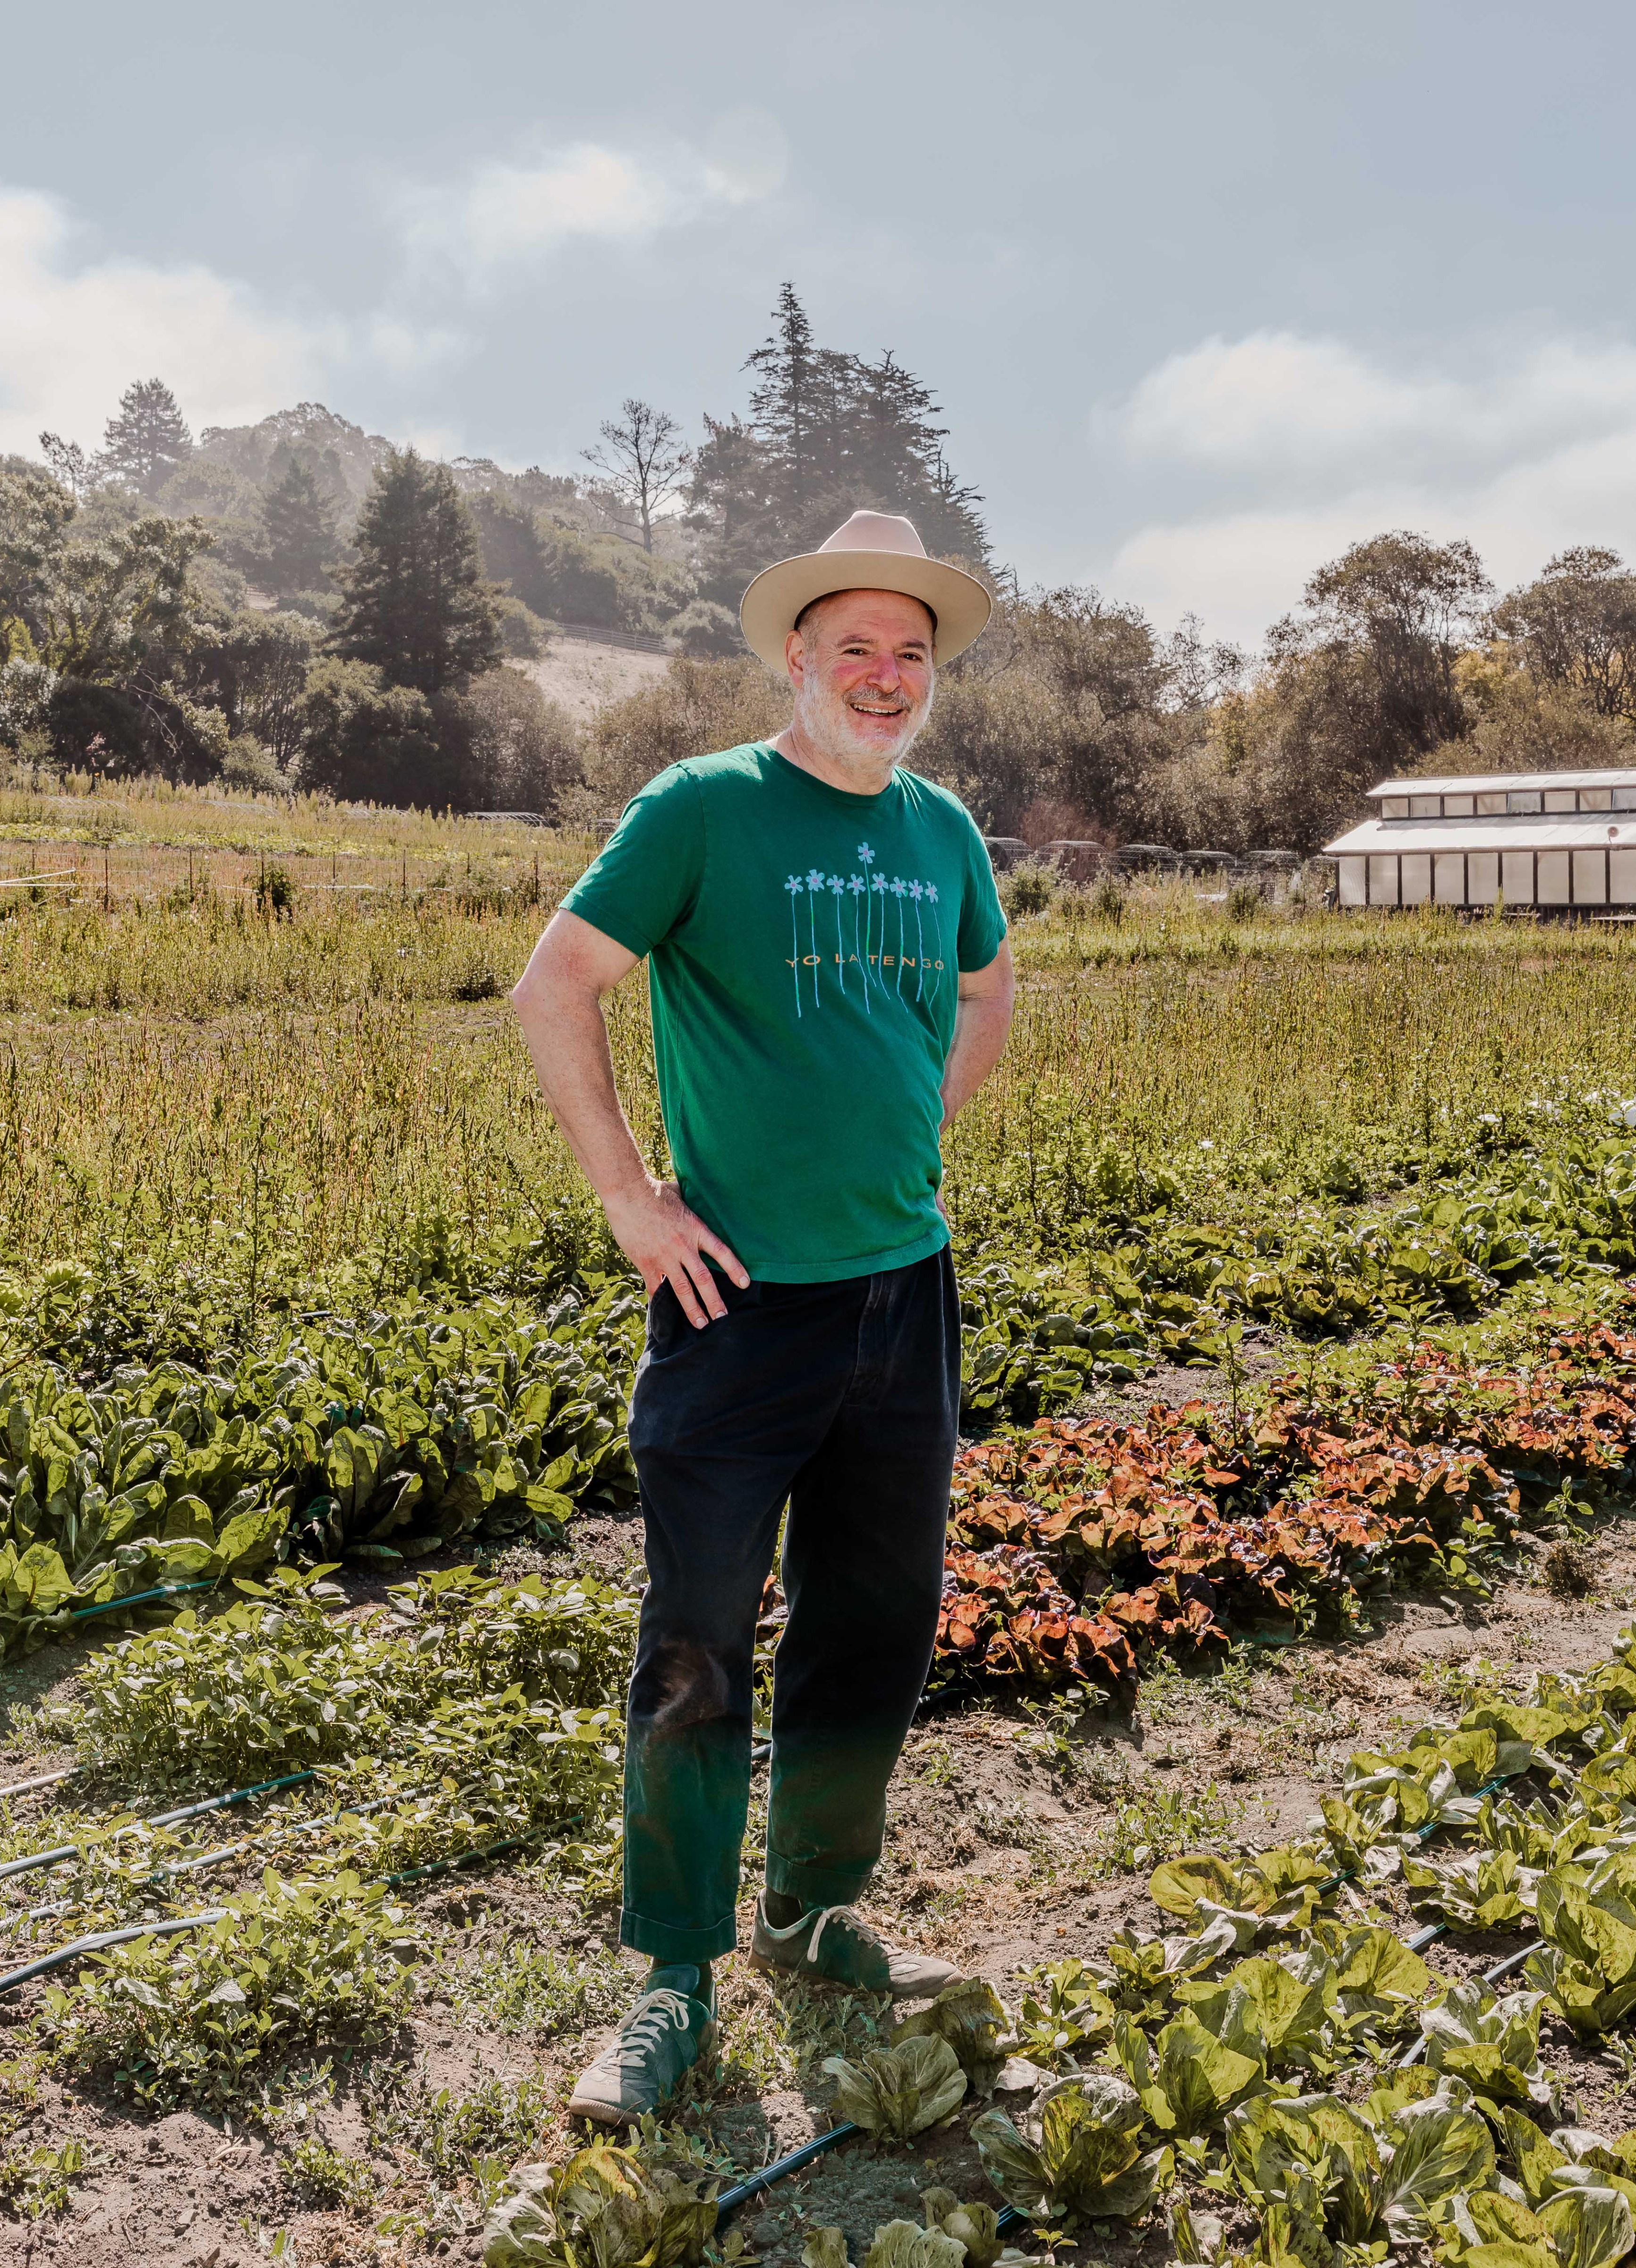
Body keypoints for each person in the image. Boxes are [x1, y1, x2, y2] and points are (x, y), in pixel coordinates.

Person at [510, 510, 1017, 2123]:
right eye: (852, 646)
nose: (883, 676)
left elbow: (989, 984)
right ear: (794, 655)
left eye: (908, 653)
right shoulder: (705, 811)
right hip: (737, 1311)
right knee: (697, 1645)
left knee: (875, 1626)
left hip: (905, 1292)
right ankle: (672, 1974)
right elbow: (555, 982)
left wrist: (923, 1119)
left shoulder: (942, 832)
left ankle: (813, 1910)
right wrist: (631, 1199)